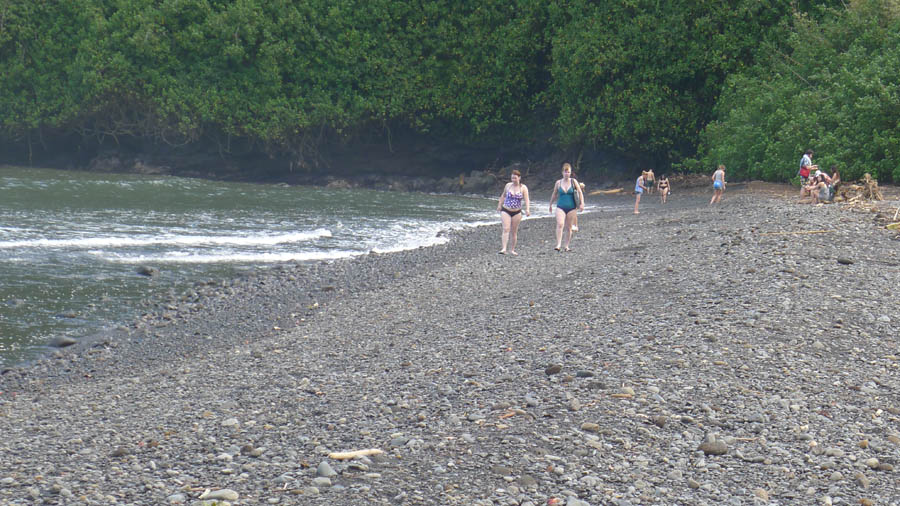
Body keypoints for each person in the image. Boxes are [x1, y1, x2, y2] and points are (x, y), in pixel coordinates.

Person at [549, 163, 584, 252]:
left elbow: (580, 192)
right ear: (562, 172)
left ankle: (566, 246)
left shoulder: (573, 181)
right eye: (565, 172)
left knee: (568, 227)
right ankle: (558, 244)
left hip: (572, 207)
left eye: (568, 172)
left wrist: (582, 204)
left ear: (570, 173)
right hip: (560, 206)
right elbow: (554, 194)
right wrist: (550, 204)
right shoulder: (558, 182)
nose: (567, 174)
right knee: (560, 224)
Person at [496, 169, 531, 255]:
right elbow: (503, 195)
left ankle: (512, 249)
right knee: (506, 229)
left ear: (519, 178)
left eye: (515, 178)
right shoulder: (508, 185)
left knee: (514, 231)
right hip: (506, 209)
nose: (513, 180)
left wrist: (527, 209)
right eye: (512, 178)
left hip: (517, 212)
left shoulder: (523, 188)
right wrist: (499, 205)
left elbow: (527, 200)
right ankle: (504, 248)